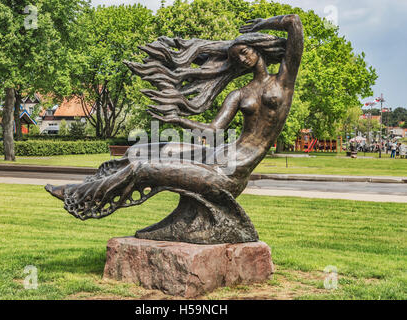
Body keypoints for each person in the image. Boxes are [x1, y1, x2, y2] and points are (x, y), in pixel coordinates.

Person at [46, 15, 304, 226]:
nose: (243, 59)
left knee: (143, 169)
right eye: (236, 57)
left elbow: (293, 23)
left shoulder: (283, 81)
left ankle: (79, 195)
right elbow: (214, 129)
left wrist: (260, 26)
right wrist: (177, 119)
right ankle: (88, 185)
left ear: (258, 50)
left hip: (229, 172)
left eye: (245, 51)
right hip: (218, 154)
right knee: (141, 151)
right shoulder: (239, 94)